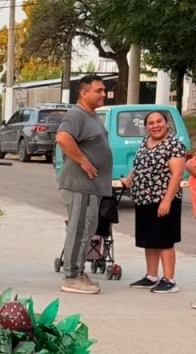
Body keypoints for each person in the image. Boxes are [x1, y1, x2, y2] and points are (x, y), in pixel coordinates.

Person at [54, 75, 113, 294]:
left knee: (87, 230)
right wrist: (84, 162)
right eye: (98, 90)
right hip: (79, 185)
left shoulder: (93, 116)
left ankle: (78, 271)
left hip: (91, 187)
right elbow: (62, 138)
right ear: (84, 93)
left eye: (103, 90)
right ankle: (71, 277)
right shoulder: (75, 115)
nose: (103, 94)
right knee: (78, 231)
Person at [120, 110, 186, 293]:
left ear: (166, 123)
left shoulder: (173, 145)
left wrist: (167, 200)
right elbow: (139, 166)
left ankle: (170, 280)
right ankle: (151, 276)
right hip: (144, 199)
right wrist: (128, 180)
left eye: (159, 122)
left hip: (163, 200)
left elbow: (177, 174)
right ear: (146, 126)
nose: (155, 126)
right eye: (151, 123)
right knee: (149, 240)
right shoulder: (145, 142)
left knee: (164, 240)